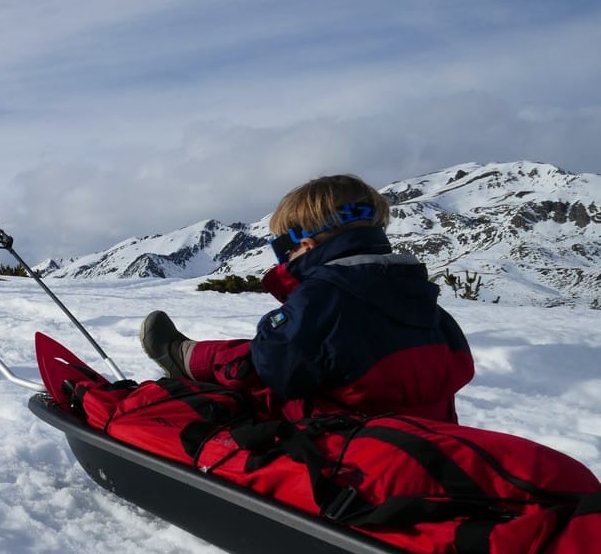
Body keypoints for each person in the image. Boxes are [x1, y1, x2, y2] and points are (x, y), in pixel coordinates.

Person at [140, 174, 474, 422]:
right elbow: (460, 365)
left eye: (282, 247)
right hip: (428, 434)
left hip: (345, 438)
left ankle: (185, 359)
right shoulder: (420, 295)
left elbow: (276, 367)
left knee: (249, 364)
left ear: (307, 245)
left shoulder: (323, 296)